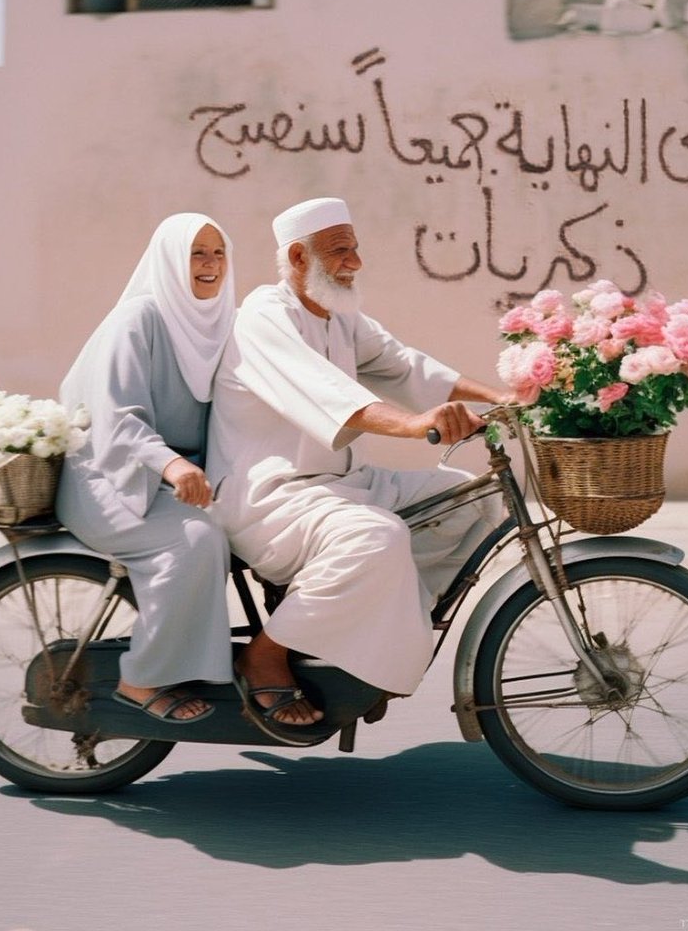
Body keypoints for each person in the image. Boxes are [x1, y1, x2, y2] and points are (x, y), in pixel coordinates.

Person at [207, 196, 505, 736]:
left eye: (355, 249)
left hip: (346, 485)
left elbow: (406, 365)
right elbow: (329, 395)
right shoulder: (263, 318)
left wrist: (505, 399)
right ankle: (265, 656)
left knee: (476, 500)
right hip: (274, 498)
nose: (355, 262)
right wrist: (417, 426)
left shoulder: (340, 315)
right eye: (339, 251)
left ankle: (376, 639)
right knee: (377, 538)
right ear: (298, 257)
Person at [56, 213, 236, 722]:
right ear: (169, 259)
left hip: (179, 477)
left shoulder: (222, 320)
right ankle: (142, 677)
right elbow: (118, 418)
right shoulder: (139, 319)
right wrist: (174, 466)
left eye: (218, 252)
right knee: (196, 542)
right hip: (110, 477)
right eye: (195, 253)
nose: (209, 264)